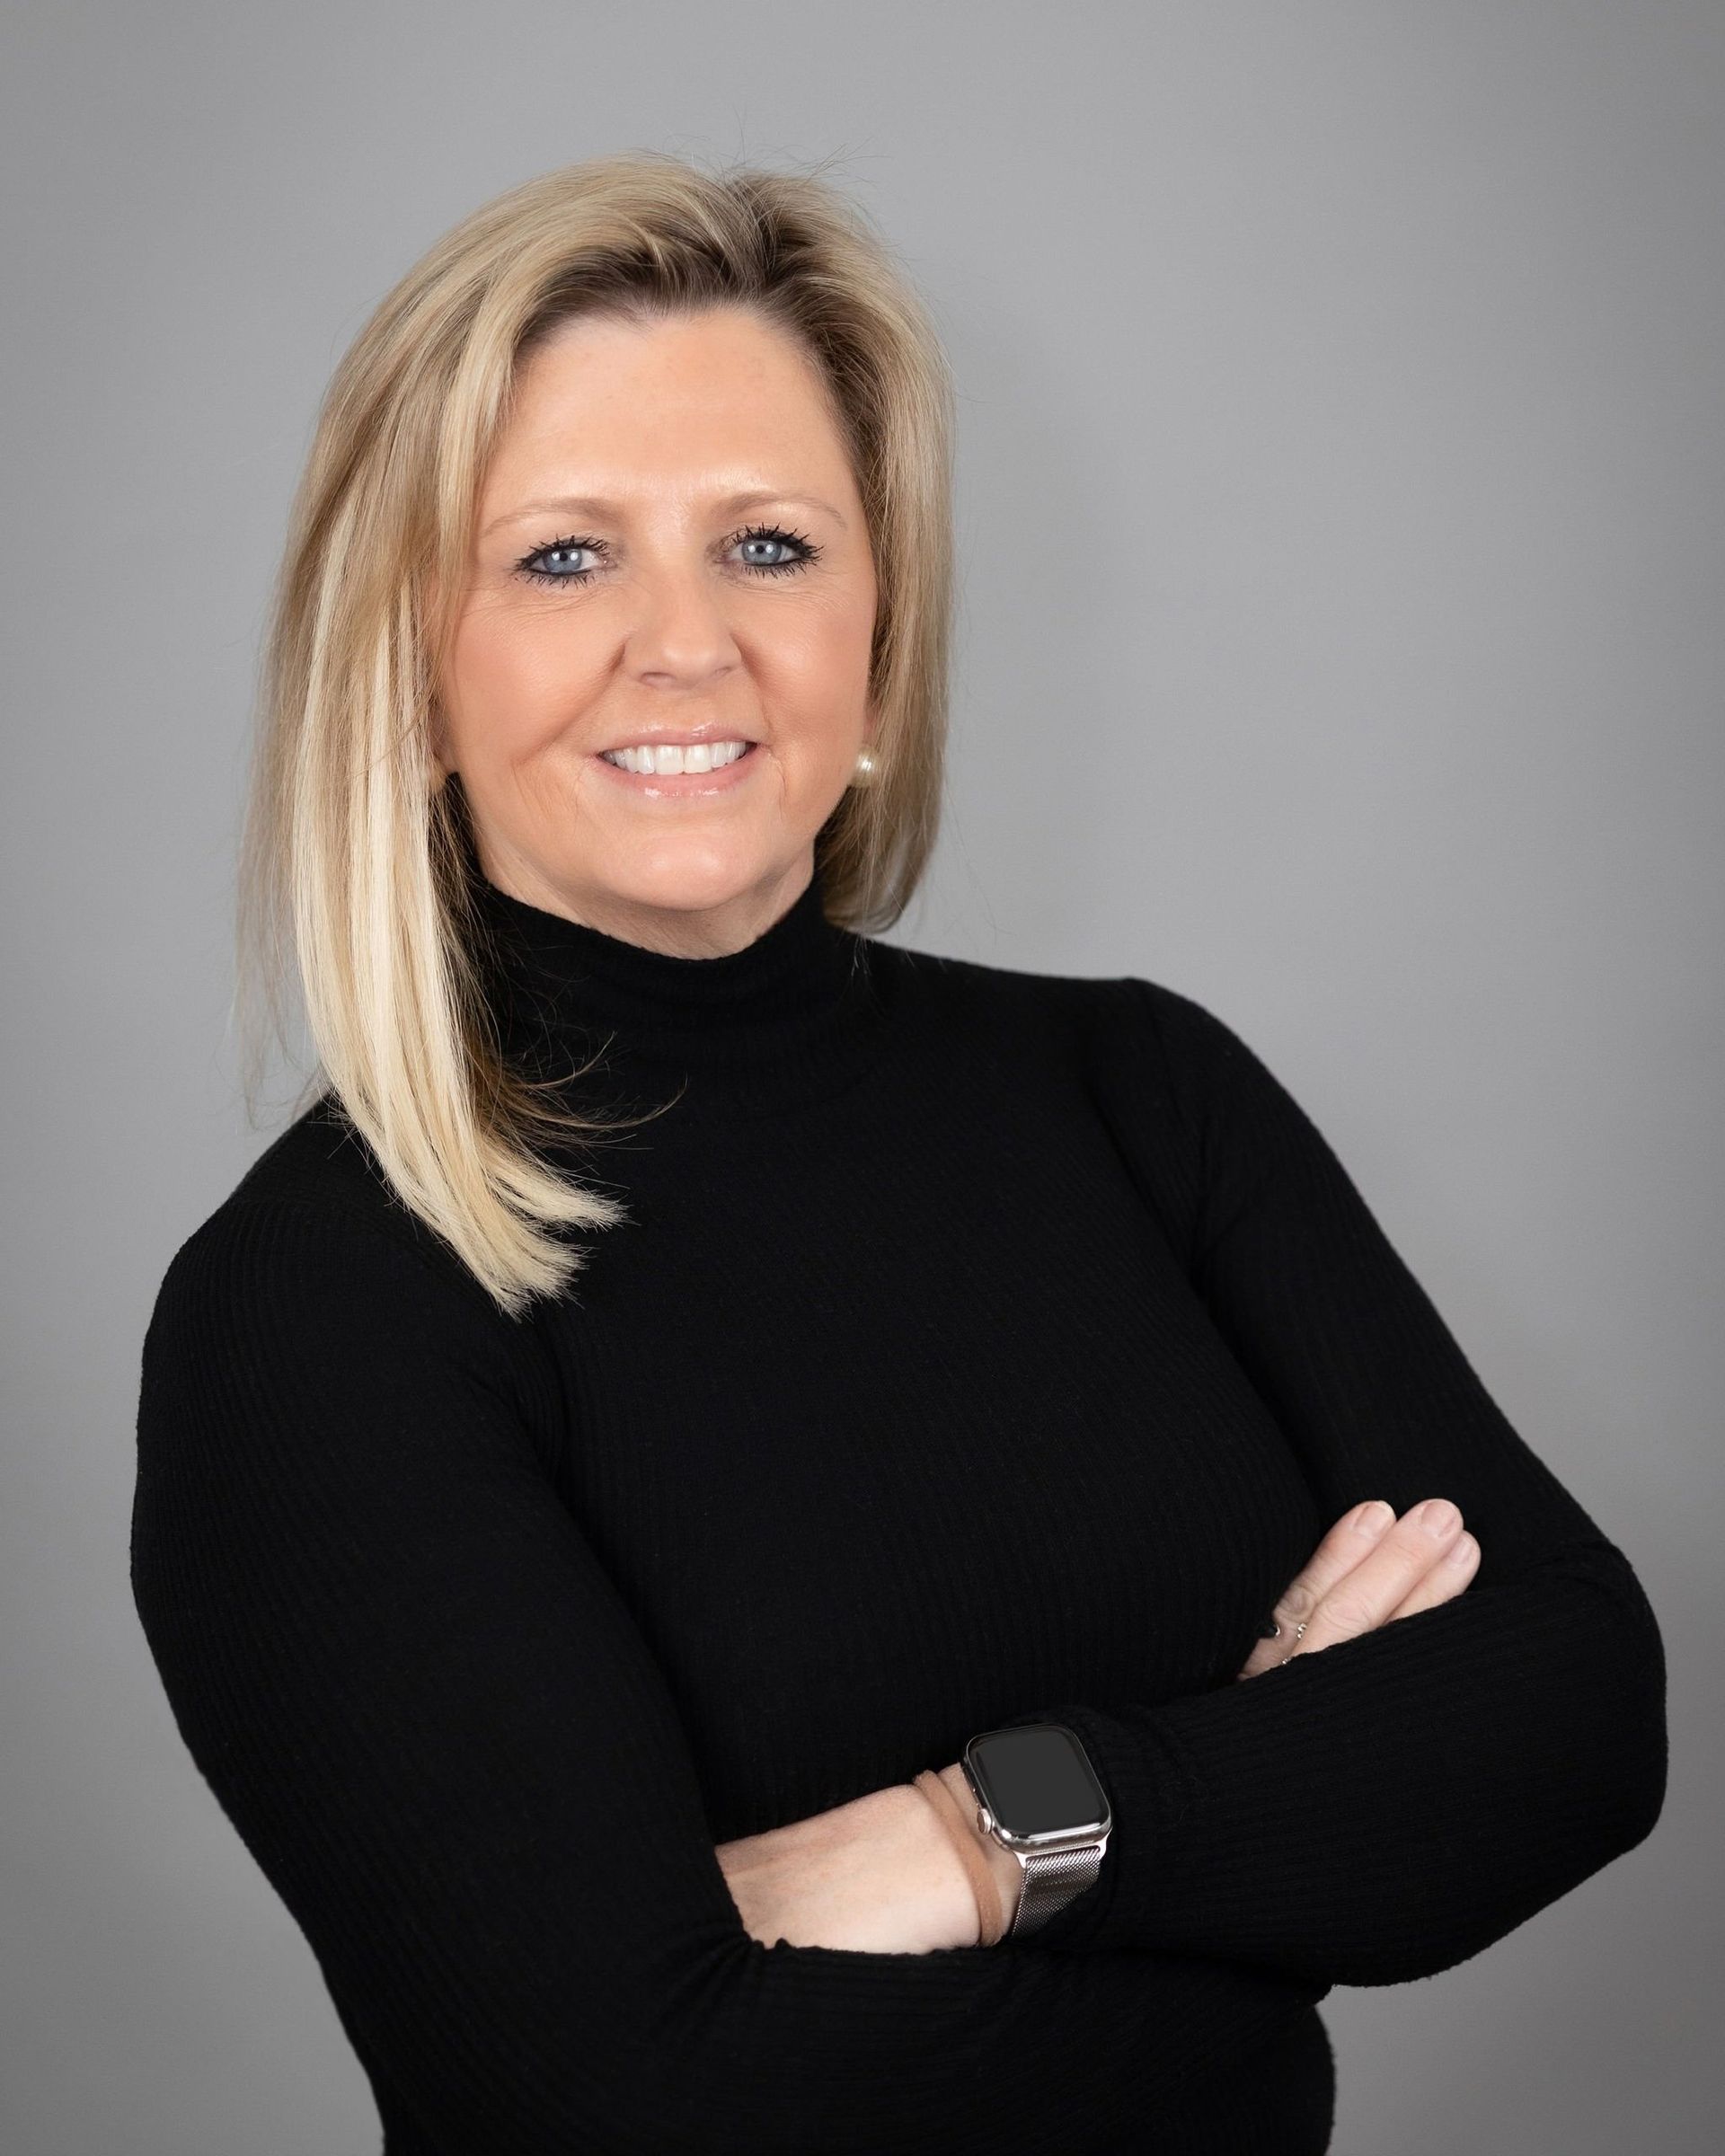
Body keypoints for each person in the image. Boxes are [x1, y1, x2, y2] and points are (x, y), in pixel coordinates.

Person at [129, 150, 1668, 2156]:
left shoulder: (1139, 1095)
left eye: (768, 546)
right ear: (417, 665)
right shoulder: (320, 1303)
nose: (684, 647)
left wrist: (973, 1844)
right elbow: (625, 2102)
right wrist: (1271, 1835)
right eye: (565, 557)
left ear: (881, 623)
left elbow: (1576, 1708)